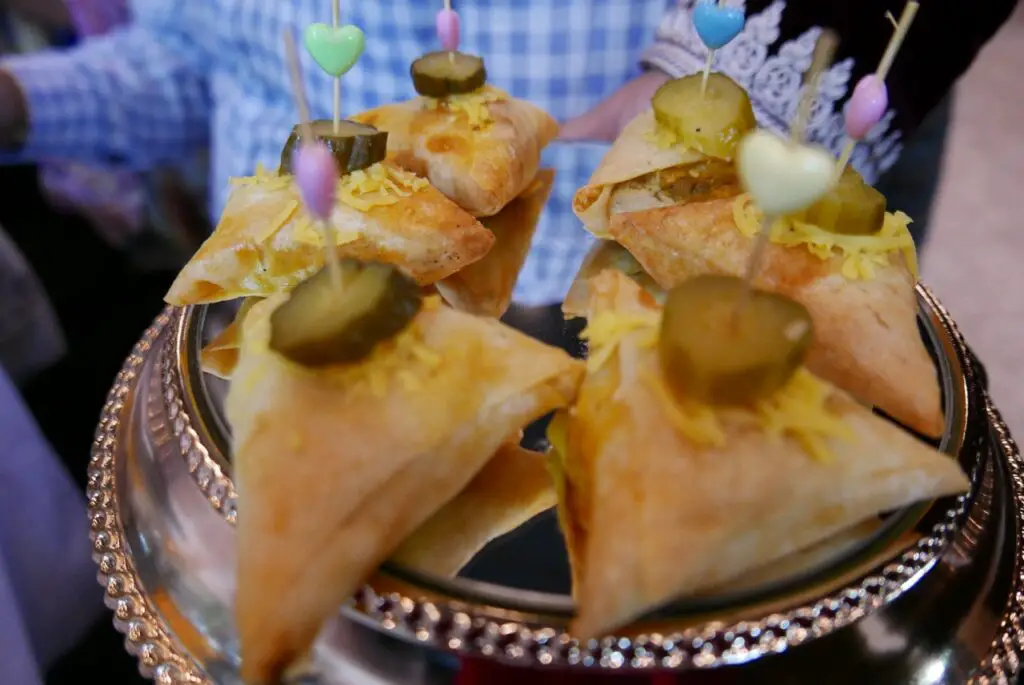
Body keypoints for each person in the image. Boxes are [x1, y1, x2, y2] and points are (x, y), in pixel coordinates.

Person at [0, 0, 1014, 307]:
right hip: (300, 313)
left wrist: (732, 92)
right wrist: (18, 102)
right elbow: (192, 57)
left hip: (632, 312)